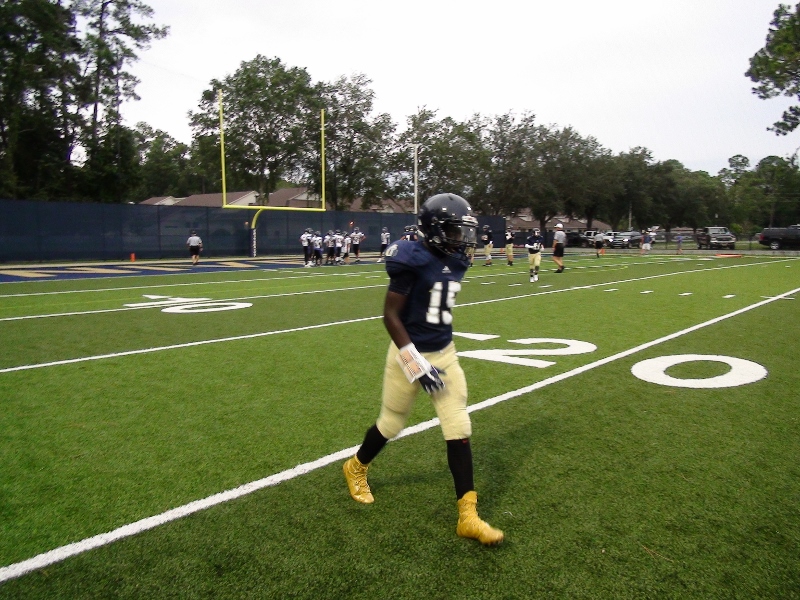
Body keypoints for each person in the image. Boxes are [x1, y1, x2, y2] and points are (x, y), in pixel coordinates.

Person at [342, 193, 504, 547]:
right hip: (408, 352)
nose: (461, 239)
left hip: (444, 352)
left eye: (463, 231)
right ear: (434, 230)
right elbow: (390, 316)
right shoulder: (411, 258)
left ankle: (468, 517)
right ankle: (356, 466)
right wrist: (414, 362)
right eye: (454, 231)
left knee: (458, 425)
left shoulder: (454, 258)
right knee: (391, 423)